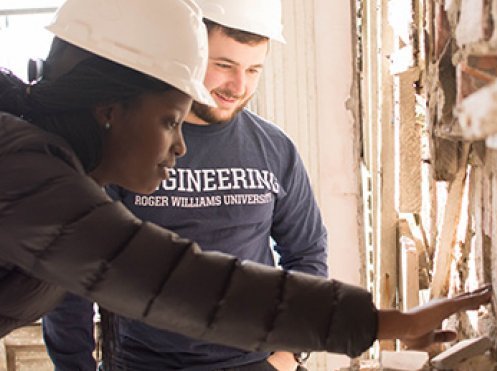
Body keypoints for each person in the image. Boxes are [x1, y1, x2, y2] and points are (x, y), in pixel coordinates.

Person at [0, 0, 492, 368]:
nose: (180, 146)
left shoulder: (41, 164)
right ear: (110, 110)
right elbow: (172, 282)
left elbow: (297, 252)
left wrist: (295, 352)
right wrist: (382, 323)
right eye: (171, 121)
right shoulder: (28, 172)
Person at [43, 1, 328, 370]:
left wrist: (288, 354)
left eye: (253, 69)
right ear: (187, 53)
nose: (238, 86)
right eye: (224, 66)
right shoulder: (126, 147)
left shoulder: (275, 149)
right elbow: (72, 274)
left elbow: (307, 252)